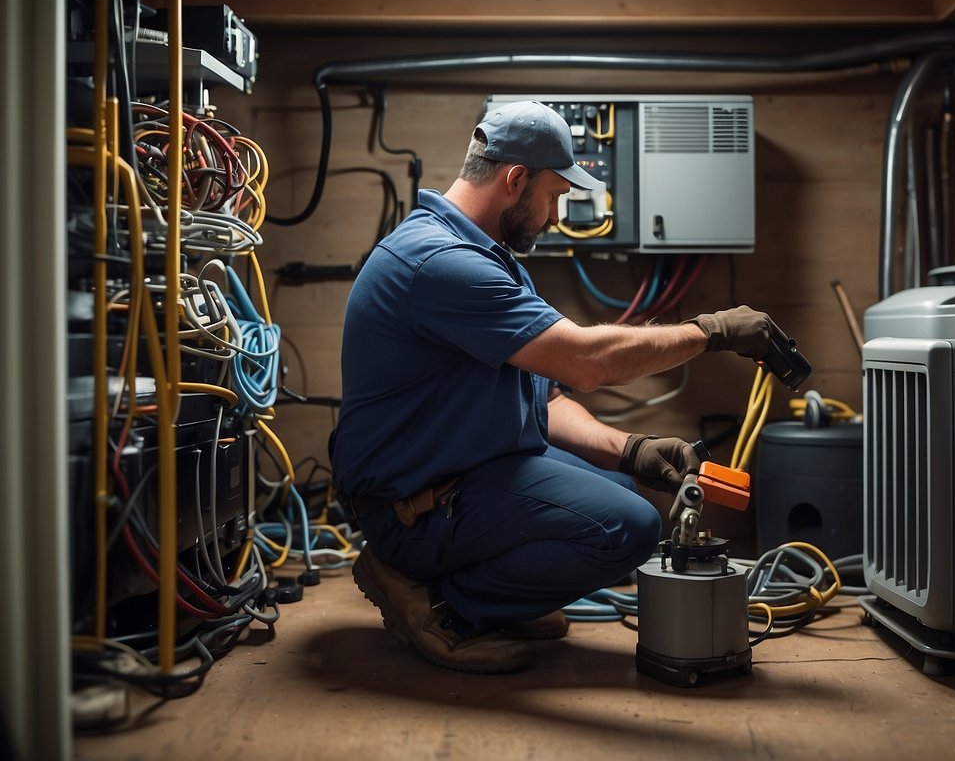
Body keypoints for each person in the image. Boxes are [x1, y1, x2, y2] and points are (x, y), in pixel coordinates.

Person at [330, 99, 779, 674]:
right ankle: (442, 603)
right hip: (414, 506)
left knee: (623, 489)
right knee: (627, 526)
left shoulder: (486, 255)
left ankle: (487, 595)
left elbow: (546, 395)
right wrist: (710, 332)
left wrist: (631, 450)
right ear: (515, 179)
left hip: (464, 474)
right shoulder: (440, 262)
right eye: (554, 195)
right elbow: (585, 363)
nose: (555, 214)